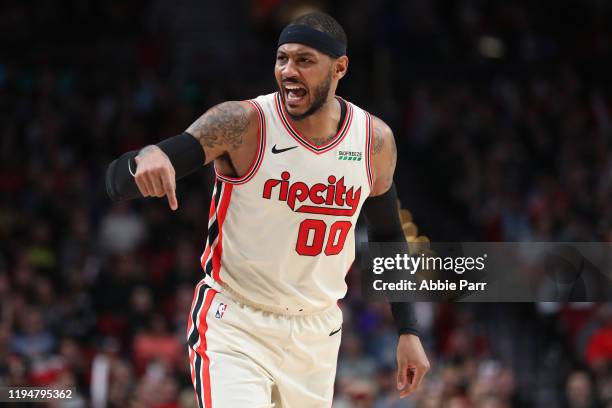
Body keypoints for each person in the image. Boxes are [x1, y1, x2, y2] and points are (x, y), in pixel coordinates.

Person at [105, 11, 429, 407]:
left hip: (316, 332)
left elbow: (389, 235)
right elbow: (118, 179)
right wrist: (146, 157)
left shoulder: (373, 141)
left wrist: (408, 330)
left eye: (304, 60)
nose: (289, 71)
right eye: (282, 58)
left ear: (339, 67)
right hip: (236, 321)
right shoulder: (243, 123)